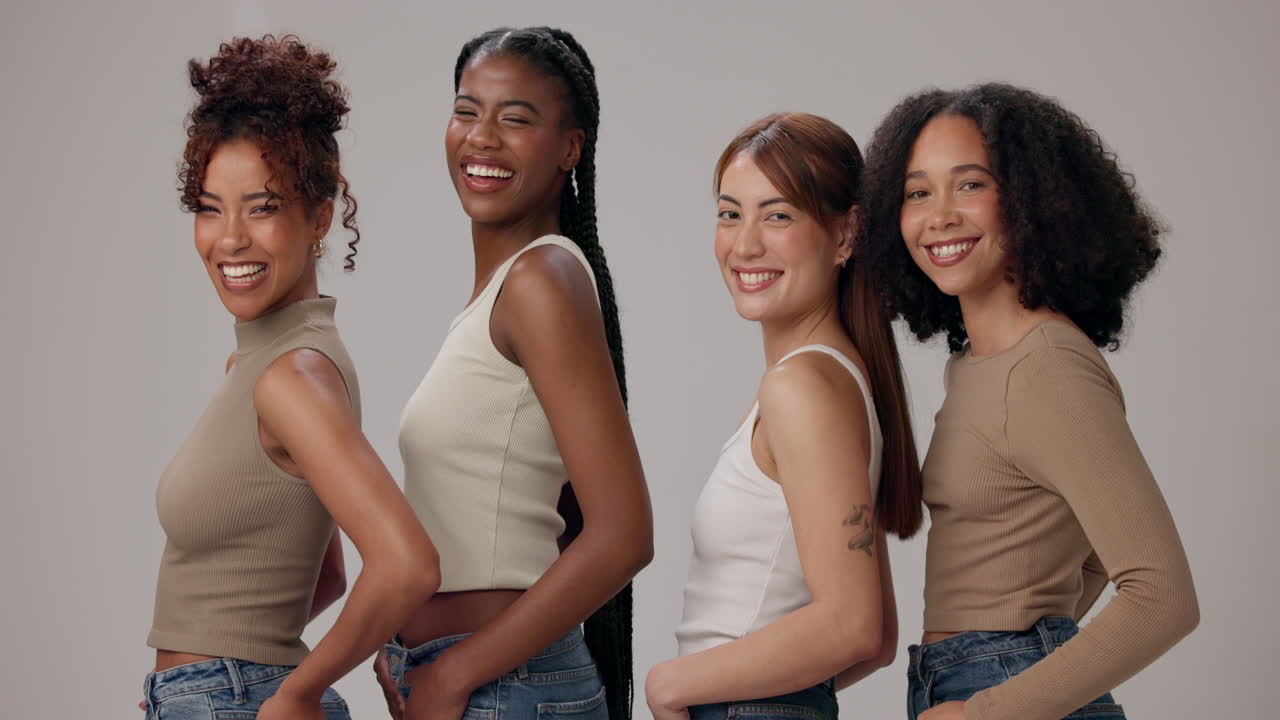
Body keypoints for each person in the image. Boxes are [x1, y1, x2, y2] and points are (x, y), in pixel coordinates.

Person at [858, 82, 1199, 720]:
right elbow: (1091, 552)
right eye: (917, 192)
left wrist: (990, 706)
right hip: (971, 678)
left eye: (970, 184)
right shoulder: (980, 365)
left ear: (1034, 200)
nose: (940, 216)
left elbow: (1164, 597)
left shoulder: (1045, 369)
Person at [143, 35, 439, 720]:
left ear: (320, 218)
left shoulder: (291, 376)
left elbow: (407, 564)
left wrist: (288, 691)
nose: (230, 238)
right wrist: (194, 682)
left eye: (263, 206)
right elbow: (327, 572)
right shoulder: (265, 366)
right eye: (211, 207)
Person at [377, 26, 653, 720]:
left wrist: (455, 673)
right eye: (467, 111)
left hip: (505, 687)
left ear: (570, 148)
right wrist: (405, 646)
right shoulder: (504, 294)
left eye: (516, 118)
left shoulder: (541, 280)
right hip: (479, 681)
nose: (482, 138)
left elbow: (623, 534)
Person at [645, 113, 923, 720]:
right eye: (729, 213)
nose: (744, 244)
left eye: (777, 215)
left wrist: (673, 683)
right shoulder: (835, 378)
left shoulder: (802, 387)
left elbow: (855, 626)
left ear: (846, 233)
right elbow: (877, 639)